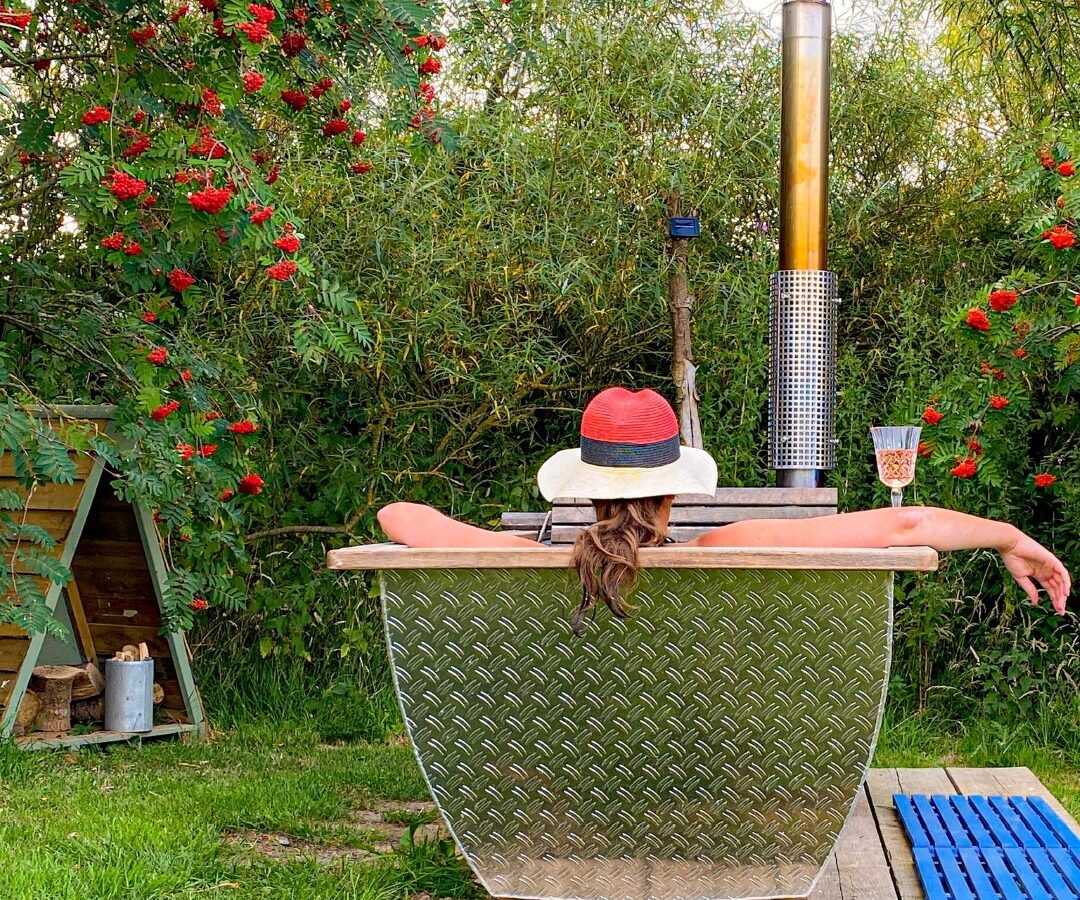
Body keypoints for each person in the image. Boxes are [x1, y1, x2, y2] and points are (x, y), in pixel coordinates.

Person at [378, 387, 1071, 632]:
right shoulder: (722, 544)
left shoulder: (541, 560)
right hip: (704, 748)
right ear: (673, 487)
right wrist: (1010, 536)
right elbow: (908, 523)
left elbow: (397, 515)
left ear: (584, 487)